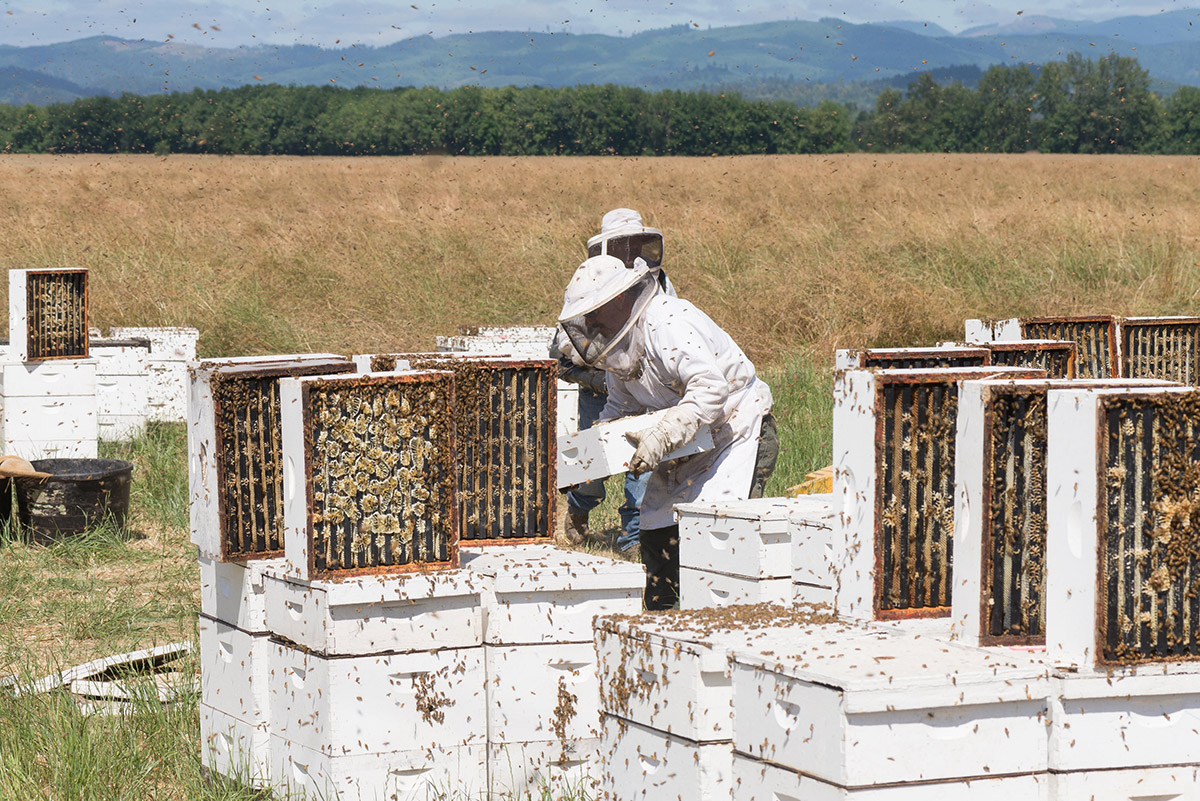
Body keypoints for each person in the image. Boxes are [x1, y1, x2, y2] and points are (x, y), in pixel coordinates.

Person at [558, 252, 778, 610]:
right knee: (657, 532)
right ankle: (666, 624)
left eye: (595, 311)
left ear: (619, 299)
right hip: (684, 442)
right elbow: (620, 410)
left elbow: (710, 390)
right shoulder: (621, 346)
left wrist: (661, 437)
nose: (592, 323)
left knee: (717, 539)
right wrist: (585, 459)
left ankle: (722, 621)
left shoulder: (670, 322)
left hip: (735, 431)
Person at [554, 207, 671, 554]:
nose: (632, 254)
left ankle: (634, 536)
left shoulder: (659, 282)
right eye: (623, 246)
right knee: (595, 461)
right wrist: (598, 372)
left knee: (644, 462)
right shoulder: (588, 280)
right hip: (600, 387)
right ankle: (578, 510)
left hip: (645, 385)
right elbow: (564, 343)